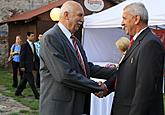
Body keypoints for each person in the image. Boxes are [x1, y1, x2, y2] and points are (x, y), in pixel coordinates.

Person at [39, 1, 116, 115]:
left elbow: (85, 68)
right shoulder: (51, 38)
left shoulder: (74, 41)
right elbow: (64, 75)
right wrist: (97, 87)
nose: (83, 20)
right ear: (66, 15)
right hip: (60, 108)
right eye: (80, 15)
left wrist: (116, 72)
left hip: (78, 105)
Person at [97, 2, 164, 115]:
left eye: (124, 18)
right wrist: (107, 86)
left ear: (136, 19)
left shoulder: (150, 43)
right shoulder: (138, 41)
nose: (122, 23)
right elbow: (126, 72)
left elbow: (145, 88)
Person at [15, 32, 40, 99]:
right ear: (28, 37)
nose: (33, 37)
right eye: (31, 36)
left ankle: (18, 92)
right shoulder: (24, 45)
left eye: (33, 36)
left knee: (24, 80)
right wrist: (22, 66)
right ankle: (36, 95)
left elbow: (34, 55)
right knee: (31, 81)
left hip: (31, 65)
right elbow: (22, 56)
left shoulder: (33, 45)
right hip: (26, 66)